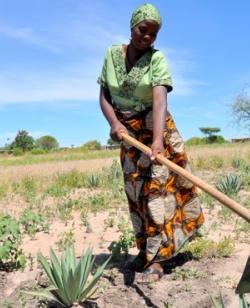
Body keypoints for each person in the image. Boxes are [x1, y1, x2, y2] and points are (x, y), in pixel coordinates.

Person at [97, 3, 205, 285]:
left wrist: (157, 141)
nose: (147, 37)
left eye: (153, 34)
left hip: (156, 131)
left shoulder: (157, 60)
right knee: (138, 195)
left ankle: (159, 259)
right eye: (143, 30)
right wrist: (114, 123)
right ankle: (146, 251)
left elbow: (159, 100)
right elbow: (104, 95)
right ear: (131, 27)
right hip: (129, 136)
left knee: (159, 194)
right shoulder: (111, 54)